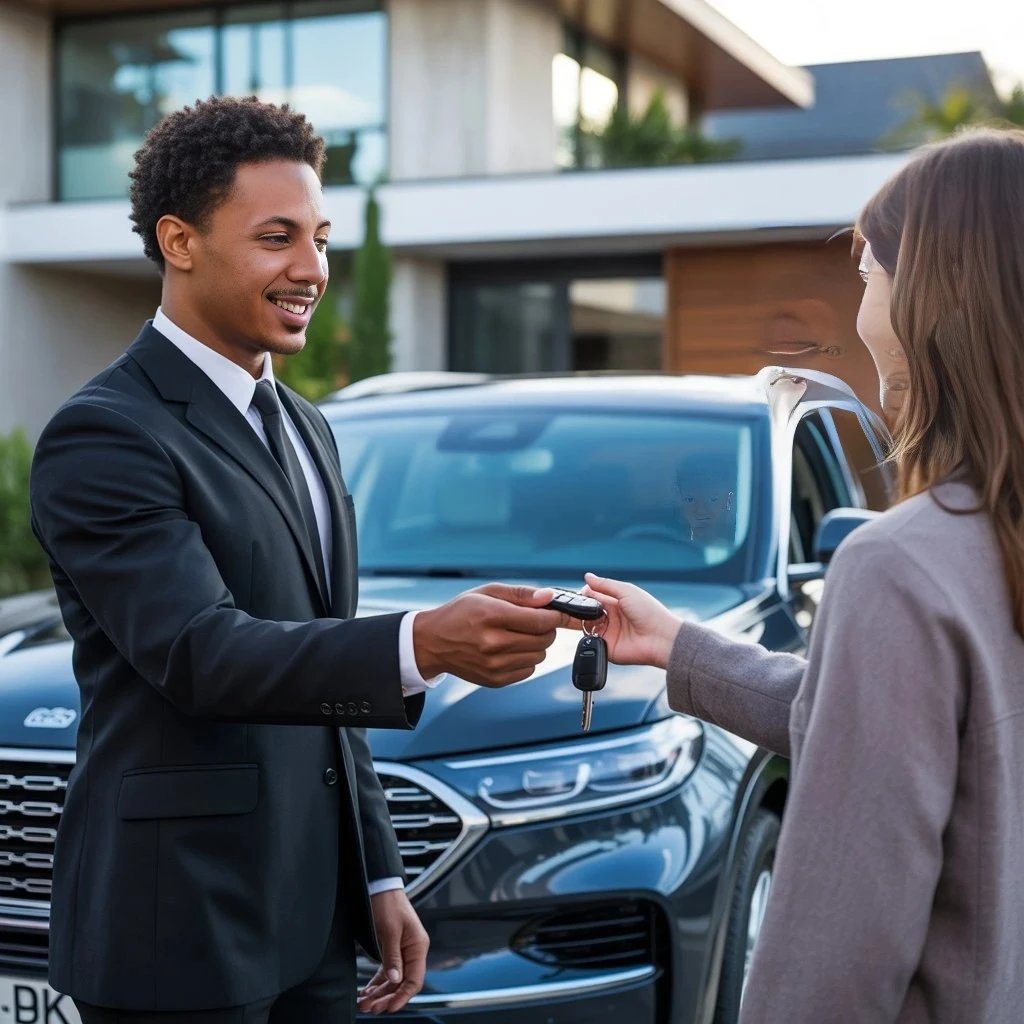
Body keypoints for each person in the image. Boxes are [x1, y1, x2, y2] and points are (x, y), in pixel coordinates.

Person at [29, 97, 568, 1024]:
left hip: (313, 923)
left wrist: (381, 872)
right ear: (179, 240)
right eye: (278, 238)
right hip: (176, 928)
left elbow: (324, 679)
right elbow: (201, 652)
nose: (312, 269)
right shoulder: (105, 434)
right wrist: (422, 644)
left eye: (319, 238)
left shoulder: (309, 426)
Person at [580, 126, 1024, 1022]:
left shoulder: (900, 567)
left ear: (934, 298)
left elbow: (833, 960)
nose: (860, 315)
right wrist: (679, 648)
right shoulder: (994, 550)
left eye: (867, 278)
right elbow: (915, 742)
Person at [674, 453, 737, 545]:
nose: (700, 510)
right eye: (690, 500)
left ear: (729, 500)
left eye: (712, 500)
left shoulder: (750, 545)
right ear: (679, 499)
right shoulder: (668, 546)